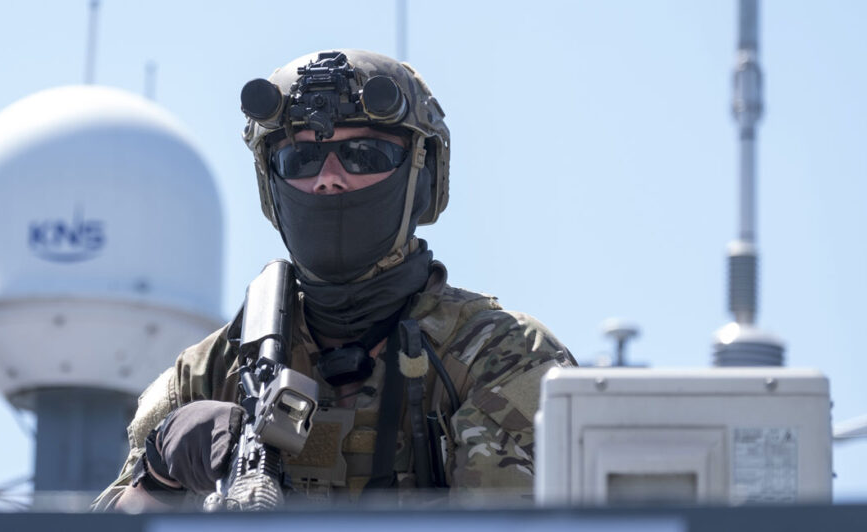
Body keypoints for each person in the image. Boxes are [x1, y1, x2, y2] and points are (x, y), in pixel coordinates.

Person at [93, 49, 575, 511]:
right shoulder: (211, 373)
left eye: (363, 154)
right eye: (300, 161)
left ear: (419, 175)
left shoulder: (500, 357)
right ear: (271, 182)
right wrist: (160, 475)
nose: (328, 179)